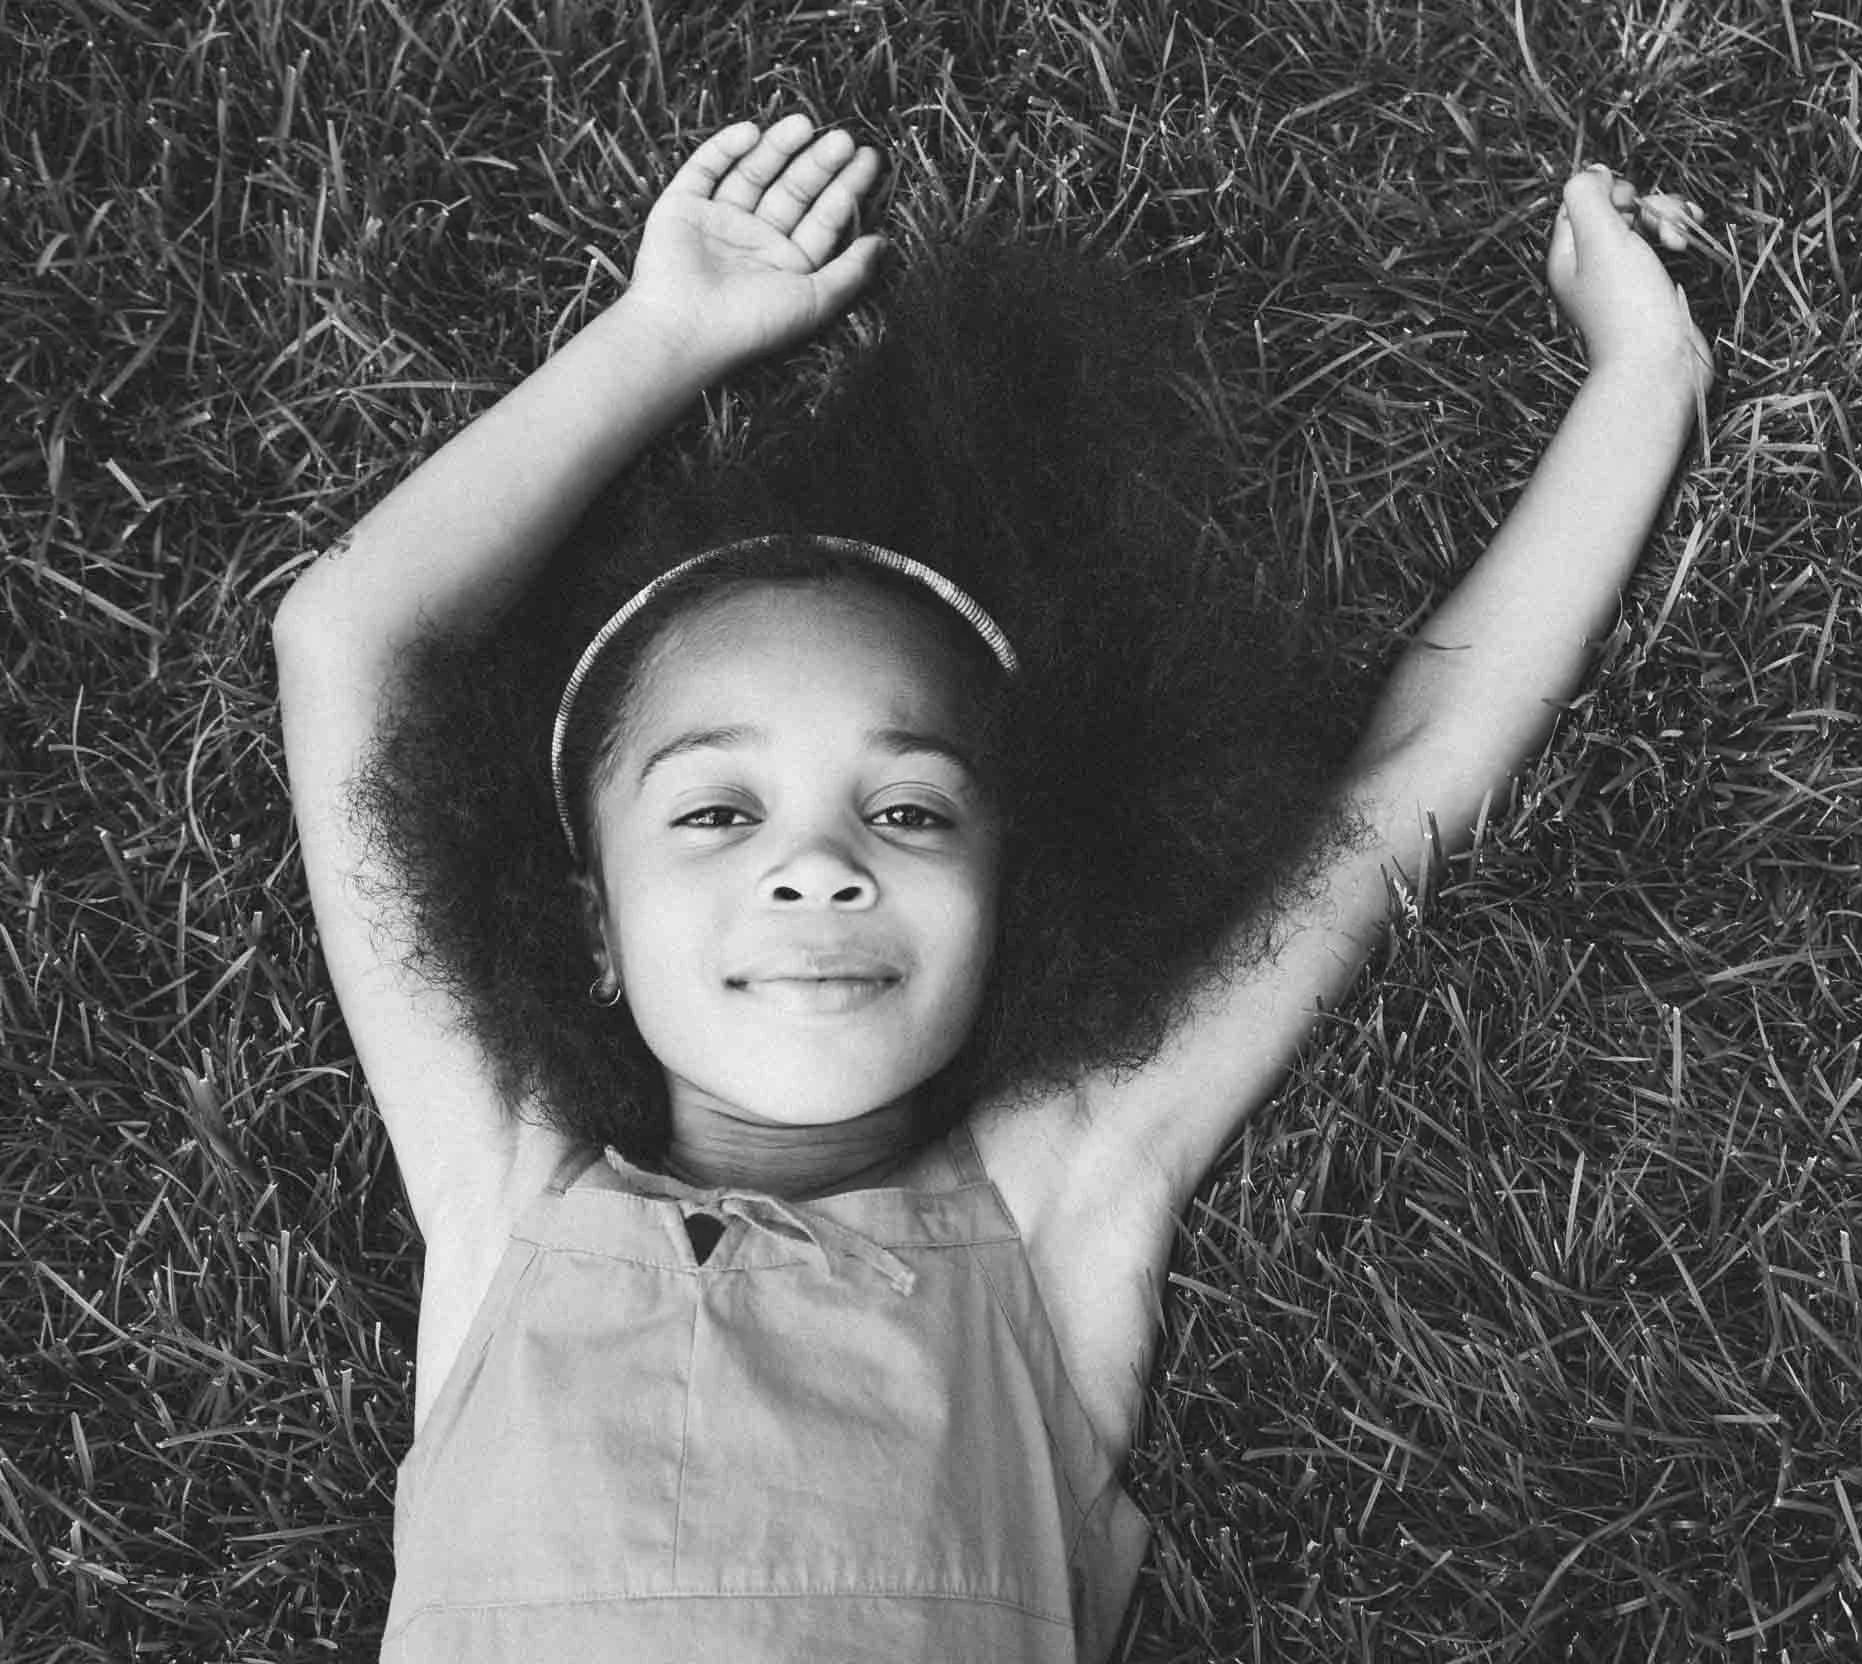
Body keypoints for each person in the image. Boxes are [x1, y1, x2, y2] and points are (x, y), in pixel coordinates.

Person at [272, 112, 1712, 1663]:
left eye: (906, 808)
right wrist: (661, 337)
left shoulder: (1053, 1207)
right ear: (590, 932)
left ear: (1018, 908)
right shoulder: (506, 1203)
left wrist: (1643, 383)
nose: (815, 867)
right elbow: (346, 645)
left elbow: (1388, 804)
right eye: (713, 811)